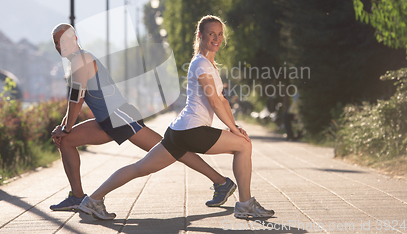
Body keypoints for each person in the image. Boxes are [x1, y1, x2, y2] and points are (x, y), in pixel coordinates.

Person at [78, 16, 275, 220]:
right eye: (211, 34)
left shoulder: (208, 64)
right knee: (243, 146)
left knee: (140, 168)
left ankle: (92, 200)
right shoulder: (201, 64)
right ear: (200, 36)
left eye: (219, 34)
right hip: (192, 130)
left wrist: (234, 126)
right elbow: (215, 102)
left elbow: (223, 101)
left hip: (179, 132)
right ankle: (245, 204)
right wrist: (234, 131)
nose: (216, 38)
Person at [49, 23, 234, 211]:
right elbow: (74, 102)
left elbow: (76, 102)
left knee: (172, 149)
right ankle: (76, 196)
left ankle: (221, 182)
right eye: (56, 43)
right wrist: (65, 129)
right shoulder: (76, 62)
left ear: (74, 39)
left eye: (63, 41)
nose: (59, 47)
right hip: (106, 122)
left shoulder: (81, 61)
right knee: (67, 141)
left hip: (119, 118)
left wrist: (65, 129)